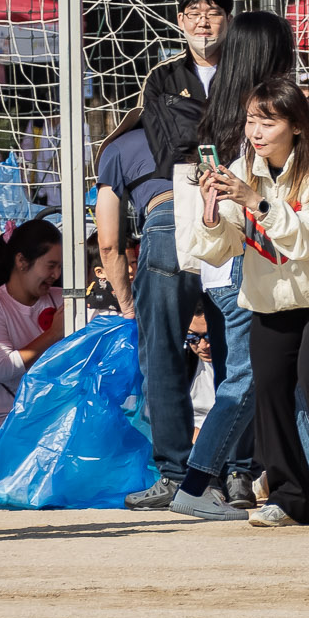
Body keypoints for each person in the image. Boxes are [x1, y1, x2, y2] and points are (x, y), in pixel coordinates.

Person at [188, 74, 309, 528]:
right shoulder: (240, 168)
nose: (255, 132)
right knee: (269, 385)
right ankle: (288, 497)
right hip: (273, 298)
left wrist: (256, 201)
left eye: (268, 122)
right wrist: (212, 213)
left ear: (296, 125)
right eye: (252, 120)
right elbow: (219, 249)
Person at [172, 10, 304, 519]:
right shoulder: (264, 114)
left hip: (225, 260)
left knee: (287, 373)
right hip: (254, 259)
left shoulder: (223, 109)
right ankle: (196, 484)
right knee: (250, 376)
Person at [92, 107, 201, 509]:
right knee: (234, 356)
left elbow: (108, 242)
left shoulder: (118, 149)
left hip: (166, 223)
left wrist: (125, 303)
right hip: (223, 225)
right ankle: (238, 474)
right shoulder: (209, 134)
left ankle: (175, 476)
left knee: (162, 357)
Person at [0, 219, 67, 474]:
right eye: (50, 265)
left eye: (59, 266)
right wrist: (53, 334)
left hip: (54, 426)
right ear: (22, 261)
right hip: (0, 430)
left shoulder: (62, 299)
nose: (56, 275)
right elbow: (2, 368)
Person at [139, 0, 232, 174]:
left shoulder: (242, 71)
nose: (203, 22)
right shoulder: (161, 76)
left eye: (214, 14)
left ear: (229, 20)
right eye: (194, 14)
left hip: (236, 174)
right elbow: (155, 138)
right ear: (181, 19)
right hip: (180, 177)